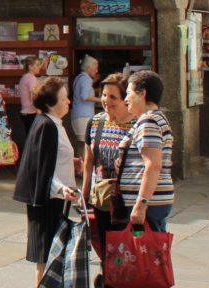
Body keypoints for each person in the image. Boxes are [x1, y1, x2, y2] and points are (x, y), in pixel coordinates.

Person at [13, 76, 81, 287]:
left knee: (50, 253)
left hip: (54, 197)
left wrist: (72, 161)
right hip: (47, 200)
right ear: (51, 105)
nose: (68, 102)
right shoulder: (47, 125)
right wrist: (62, 188)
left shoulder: (53, 123)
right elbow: (40, 169)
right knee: (45, 255)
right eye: (64, 99)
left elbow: (52, 157)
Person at [81, 73, 133, 283]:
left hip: (127, 200)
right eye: (103, 95)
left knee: (126, 251)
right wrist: (84, 194)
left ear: (125, 99)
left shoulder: (137, 125)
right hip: (101, 200)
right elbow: (88, 161)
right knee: (104, 249)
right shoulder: (95, 122)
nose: (106, 101)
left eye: (113, 97)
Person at [120, 71, 174, 232]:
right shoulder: (152, 119)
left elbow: (153, 165)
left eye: (129, 93)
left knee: (145, 254)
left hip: (149, 203)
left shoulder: (149, 121)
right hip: (152, 200)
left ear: (142, 93)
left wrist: (141, 205)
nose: (125, 99)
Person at [71, 56, 99, 144]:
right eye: (95, 68)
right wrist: (102, 99)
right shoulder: (86, 79)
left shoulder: (79, 78)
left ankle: (81, 158)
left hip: (78, 115)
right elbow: (85, 96)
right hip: (84, 116)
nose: (96, 70)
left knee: (81, 143)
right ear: (89, 68)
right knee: (86, 144)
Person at [16, 56, 44, 138]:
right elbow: (33, 96)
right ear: (30, 67)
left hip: (25, 112)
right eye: (37, 65)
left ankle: (28, 151)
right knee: (33, 138)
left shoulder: (24, 77)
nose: (39, 67)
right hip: (31, 112)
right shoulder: (32, 78)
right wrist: (39, 109)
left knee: (29, 137)